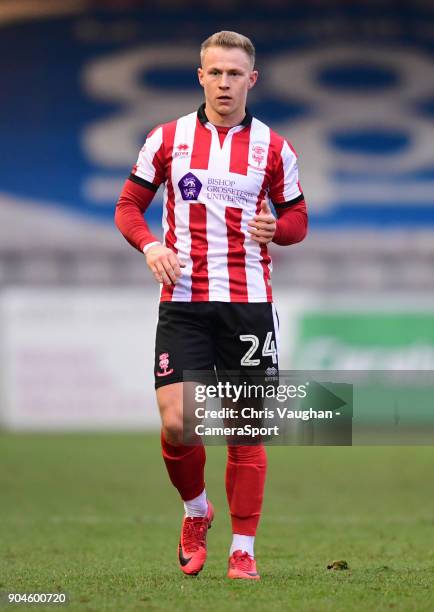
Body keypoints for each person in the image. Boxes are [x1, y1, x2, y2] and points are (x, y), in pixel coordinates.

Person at [115, 30, 308, 580]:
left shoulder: (275, 148)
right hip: (184, 299)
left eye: (234, 73)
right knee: (179, 423)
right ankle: (196, 512)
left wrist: (279, 228)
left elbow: (298, 220)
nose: (225, 83)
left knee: (245, 429)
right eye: (215, 72)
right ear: (200, 76)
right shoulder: (167, 139)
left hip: (248, 304)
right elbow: (129, 205)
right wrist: (151, 245)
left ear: (253, 79)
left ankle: (242, 547)